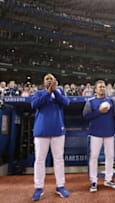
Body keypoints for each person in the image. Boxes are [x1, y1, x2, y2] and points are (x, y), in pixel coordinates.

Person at [30, 73, 70, 201]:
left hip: (58, 130)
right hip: (41, 131)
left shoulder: (60, 93)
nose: (49, 80)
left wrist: (56, 91)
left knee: (58, 159)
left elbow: (66, 103)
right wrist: (48, 92)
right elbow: (34, 104)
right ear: (43, 82)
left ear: (56, 81)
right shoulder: (39, 93)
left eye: (51, 79)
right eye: (47, 79)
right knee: (40, 160)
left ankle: (60, 186)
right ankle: (38, 187)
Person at [82, 80, 115, 192]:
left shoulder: (111, 101)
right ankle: (93, 181)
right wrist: (99, 111)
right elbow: (85, 117)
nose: (102, 88)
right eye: (100, 87)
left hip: (109, 133)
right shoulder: (91, 102)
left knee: (110, 156)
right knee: (94, 157)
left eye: (103, 87)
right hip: (96, 133)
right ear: (95, 89)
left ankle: (108, 179)